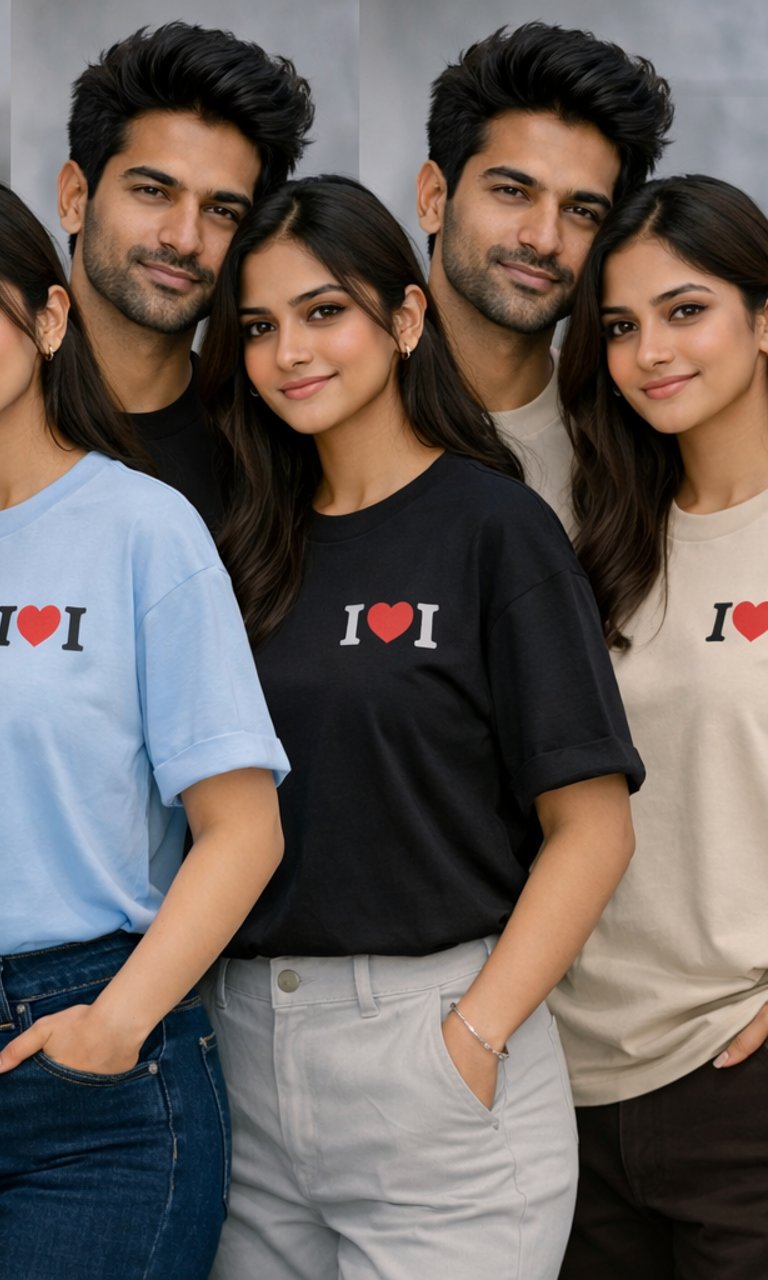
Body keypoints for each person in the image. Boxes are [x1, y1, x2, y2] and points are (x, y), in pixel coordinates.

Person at [0, 175, 289, 1279]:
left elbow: (244, 829)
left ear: (47, 318)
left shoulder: (142, 527)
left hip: (85, 1070)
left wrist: (115, 1023)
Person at [199, 176, 643, 1279]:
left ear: (405, 319)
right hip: (246, 1052)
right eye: (260, 326)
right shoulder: (245, 546)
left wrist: (474, 1038)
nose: (291, 350)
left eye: (324, 311)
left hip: (434, 1050)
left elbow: (594, 828)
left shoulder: (495, 529)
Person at [551, 174, 768, 1280]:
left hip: (742, 1083)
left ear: (764, 318)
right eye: (621, 326)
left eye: (686, 310)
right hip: (575, 1087)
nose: (650, 352)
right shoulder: (604, 545)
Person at [416, 21, 672, 529]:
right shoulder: (329, 405)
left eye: (582, 211)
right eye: (513, 191)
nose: (544, 238)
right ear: (433, 198)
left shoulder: (638, 444)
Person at [58, 21, 314, 526]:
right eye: (153, 192)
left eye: (222, 211)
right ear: (74, 198)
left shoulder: (275, 462)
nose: (184, 239)